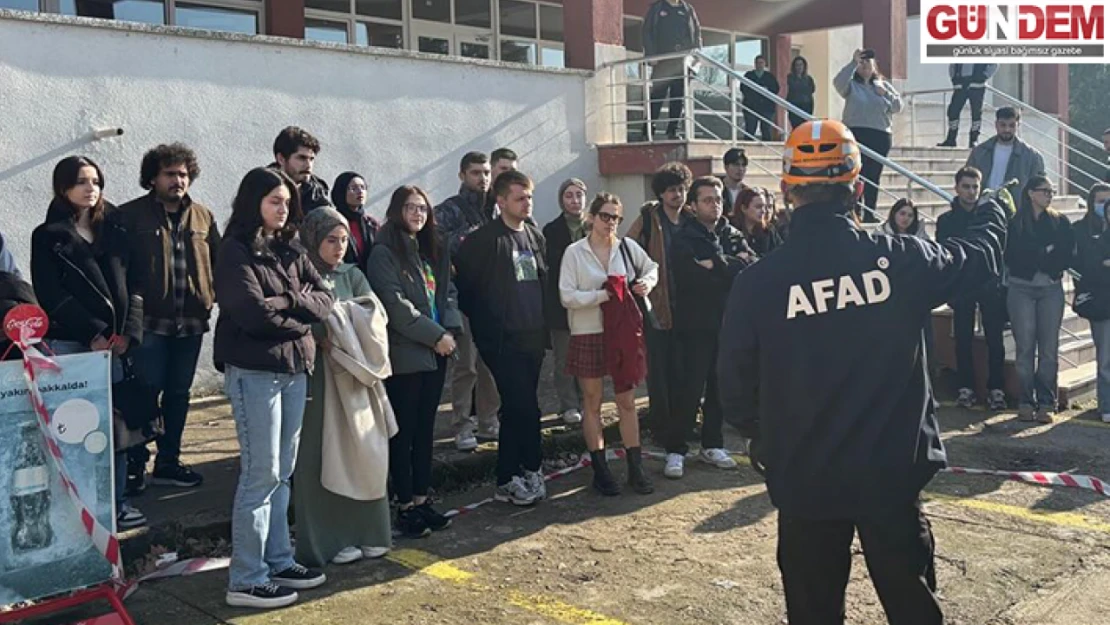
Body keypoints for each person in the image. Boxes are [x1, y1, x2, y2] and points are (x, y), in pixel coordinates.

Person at [719, 119, 1006, 625]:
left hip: (806, 480)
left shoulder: (758, 283)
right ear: (857, 188)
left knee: (813, 613)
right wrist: (991, 212)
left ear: (787, 192)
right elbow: (979, 261)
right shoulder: (899, 260)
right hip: (891, 477)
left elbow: (735, 388)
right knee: (912, 608)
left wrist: (766, 440)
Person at [215, 167, 334, 609]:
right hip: (255, 373)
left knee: (282, 473)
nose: (283, 209)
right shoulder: (234, 251)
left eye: (286, 202)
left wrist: (288, 301)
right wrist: (297, 311)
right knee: (260, 474)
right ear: (253, 203)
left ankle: (279, 559)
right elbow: (251, 315)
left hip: (293, 370)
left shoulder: (292, 248)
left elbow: (325, 299)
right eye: (274, 202)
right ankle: (246, 577)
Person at [31, 156, 146, 531]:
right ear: (64, 187)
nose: (90, 188)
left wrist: (128, 333)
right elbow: (51, 294)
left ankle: (117, 503)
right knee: (78, 427)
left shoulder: (116, 232)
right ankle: (79, 507)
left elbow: (135, 287)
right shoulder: (48, 236)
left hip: (115, 347)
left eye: (95, 181)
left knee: (115, 427)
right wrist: (93, 332)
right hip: (74, 346)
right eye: (81, 181)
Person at [292, 206, 393, 568]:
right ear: (313, 239)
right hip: (317, 379)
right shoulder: (300, 275)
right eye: (330, 240)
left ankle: (367, 532)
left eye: (343, 240)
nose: (338, 247)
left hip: (355, 376)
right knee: (320, 454)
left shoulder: (353, 274)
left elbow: (375, 314)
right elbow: (301, 318)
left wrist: (340, 318)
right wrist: (337, 319)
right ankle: (328, 540)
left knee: (362, 450)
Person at [118, 143, 218, 495]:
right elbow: (121, 271)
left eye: (184, 174)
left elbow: (217, 264)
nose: (178, 180)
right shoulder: (130, 217)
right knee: (144, 395)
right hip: (150, 325)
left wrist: (209, 297)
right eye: (170, 174)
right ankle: (134, 464)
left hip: (190, 324)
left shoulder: (203, 217)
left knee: (179, 394)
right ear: (153, 177)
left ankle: (169, 462)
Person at [368, 185, 463, 538]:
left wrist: (450, 329)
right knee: (403, 432)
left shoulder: (432, 249)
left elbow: (448, 291)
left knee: (425, 431)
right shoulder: (384, 252)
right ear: (396, 210)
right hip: (408, 353)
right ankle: (404, 504)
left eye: (423, 208)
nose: (418, 214)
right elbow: (395, 307)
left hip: (439, 350)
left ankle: (423, 500)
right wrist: (436, 336)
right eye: (410, 208)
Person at [454, 170, 548, 507]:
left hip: (533, 337)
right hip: (501, 341)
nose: (527, 203)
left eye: (529, 197)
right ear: (501, 201)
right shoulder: (484, 241)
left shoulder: (535, 237)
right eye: (520, 198)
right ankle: (528, 467)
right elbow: (466, 289)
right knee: (525, 406)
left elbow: (542, 282)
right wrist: (488, 327)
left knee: (516, 408)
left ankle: (511, 474)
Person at [559, 192, 657, 496]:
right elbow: (567, 296)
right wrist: (604, 295)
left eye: (616, 217)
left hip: (622, 333)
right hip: (587, 332)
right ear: (591, 216)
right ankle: (600, 470)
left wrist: (646, 284)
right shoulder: (575, 252)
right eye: (605, 216)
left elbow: (652, 267)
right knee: (592, 402)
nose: (610, 222)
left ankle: (635, 468)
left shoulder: (627, 247)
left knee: (627, 401)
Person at [667, 177, 752, 478]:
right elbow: (689, 276)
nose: (714, 204)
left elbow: (749, 268)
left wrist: (715, 264)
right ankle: (676, 449)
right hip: (694, 325)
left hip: (726, 323)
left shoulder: (733, 233)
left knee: (719, 387)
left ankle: (712, 444)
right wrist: (728, 266)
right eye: (707, 200)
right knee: (690, 389)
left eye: (717, 199)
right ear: (693, 204)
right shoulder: (683, 238)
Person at [435, 151, 501, 451]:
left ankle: (489, 420)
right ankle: (462, 424)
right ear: (462, 175)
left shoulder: (496, 209)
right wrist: (467, 239)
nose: (483, 178)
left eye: (486, 173)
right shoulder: (450, 209)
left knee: (491, 364)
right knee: (467, 365)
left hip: (492, 297)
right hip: (461, 297)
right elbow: (433, 242)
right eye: (476, 173)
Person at [626, 162, 691, 465]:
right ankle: (661, 426)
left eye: (681, 189)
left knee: (682, 370)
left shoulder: (690, 219)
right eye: (671, 190)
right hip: (656, 305)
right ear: (661, 193)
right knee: (659, 372)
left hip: (687, 306)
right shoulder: (648, 220)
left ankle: (681, 425)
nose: (677, 195)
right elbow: (626, 251)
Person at [936, 167, 1007, 410]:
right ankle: (965, 388)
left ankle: (996, 388)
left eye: (975, 187)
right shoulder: (946, 220)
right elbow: (944, 253)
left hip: (989, 283)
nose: (970, 192)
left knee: (994, 337)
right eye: (966, 186)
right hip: (962, 286)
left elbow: (1001, 246)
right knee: (963, 338)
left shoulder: (990, 215)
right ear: (956, 188)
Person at [1005, 175, 1074, 424]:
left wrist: (1043, 257)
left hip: (1050, 288)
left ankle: (1047, 401)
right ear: (1030, 193)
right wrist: (1044, 252)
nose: (1049, 195)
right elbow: (1013, 256)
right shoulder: (1015, 223)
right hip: (1021, 287)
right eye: (1044, 191)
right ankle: (1026, 399)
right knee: (1025, 347)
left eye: (1052, 191)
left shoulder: (1059, 222)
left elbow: (1065, 253)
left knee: (1048, 348)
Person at [834, 49, 904, 221]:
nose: (865, 66)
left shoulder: (883, 85)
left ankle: (870, 213)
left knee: (873, 176)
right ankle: (855, 211)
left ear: (874, 66)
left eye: (868, 63)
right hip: (856, 133)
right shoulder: (851, 85)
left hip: (880, 136)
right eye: (862, 63)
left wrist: (885, 93)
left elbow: (898, 107)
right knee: (856, 174)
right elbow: (838, 83)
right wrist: (852, 62)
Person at [543, 179, 588, 426]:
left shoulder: (594, 226)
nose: (575, 200)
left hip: (591, 303)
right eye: (569, 196)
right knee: (565, 358)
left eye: (579, 195)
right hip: (562, 303)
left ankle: (587, 400)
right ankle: (569, 404)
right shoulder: (552, 230)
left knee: (589, 356)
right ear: (562, 200)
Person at [1072, 183, 1110, 422]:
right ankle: (1106, 404)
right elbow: (1091, 268)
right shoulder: (1093, 236)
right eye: (1102, 203)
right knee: (1106, 357)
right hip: (1102, 303)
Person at [642, 0, 702, 140]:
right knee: (657, 97)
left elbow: (697, 31)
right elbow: (647, 32)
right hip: (662, 61)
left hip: (682, 62)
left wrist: (697, 52)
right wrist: (651, 54)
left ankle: (673, 131)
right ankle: (648, 130)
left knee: (678, 98)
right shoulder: (657, 8)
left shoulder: (687, 9)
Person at [966, 107, 1047, 194]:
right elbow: (966, 180)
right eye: (1003, 125)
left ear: (1018, 125)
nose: (1007, 129)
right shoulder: (979, 152)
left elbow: (1040, 189)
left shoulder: (1032, 157)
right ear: (996, 124)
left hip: (1015, 207)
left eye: (1011, 125)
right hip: (983, 205)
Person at [937, 64, 999, 148]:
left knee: (976, 113)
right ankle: (951, 139)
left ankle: (974, 139)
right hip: (960, 85)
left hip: (977, 85)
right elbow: (953, 64)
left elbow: (994, 64)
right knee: (953, 111)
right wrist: (954, 78)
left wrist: (983, 76)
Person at [272, 126, 331, 214]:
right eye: (302, 158)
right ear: (281, 159)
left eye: (311, 159)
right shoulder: (261, 187)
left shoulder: (317, 192)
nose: (308, 165)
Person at [330, 171, 380, 272]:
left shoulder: (371, 224)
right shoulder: (332, 222)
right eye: (354, 188)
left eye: (363, 187)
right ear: (341, 192)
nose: (360, 191)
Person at [732, 187, 782, 257]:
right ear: (743, 208)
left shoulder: (769, 230)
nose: (763, 211)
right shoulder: (731, 231)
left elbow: (781, 254)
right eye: (758, 207)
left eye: (764, 207)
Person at [741, 55, 781, 142]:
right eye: (758, 63)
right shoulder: (749, 75)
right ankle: (747, 148)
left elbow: (776, 89)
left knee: (766, 130)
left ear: (764, 64)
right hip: (751, 107)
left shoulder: (769, 77)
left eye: (761, 63)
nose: (759, 65)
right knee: (750, 129)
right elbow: (743, 88)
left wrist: (766, 89)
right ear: (755, 64)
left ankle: (767, 148)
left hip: (766, 108)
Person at [785, 56, 816, 130]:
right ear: (794, 67)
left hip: (806, 106)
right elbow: (791, 89)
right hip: (794, 106)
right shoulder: (790, 78)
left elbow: (812, 90)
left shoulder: (808, 79)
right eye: (797, 65)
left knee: (806, 127)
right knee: (796, 127)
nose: (799, 67)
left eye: (801, 65)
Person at [486, 148, 519, 217]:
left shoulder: (519, 197)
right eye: (503, 168)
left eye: (512, 170)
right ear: (491, 168)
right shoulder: (480, 197)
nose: (508, 173)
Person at [720, 147, 750, 217]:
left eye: (743, 165)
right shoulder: (718, 189)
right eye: (736, 164)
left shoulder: (747, 192)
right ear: (726, 167)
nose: (740, 169)